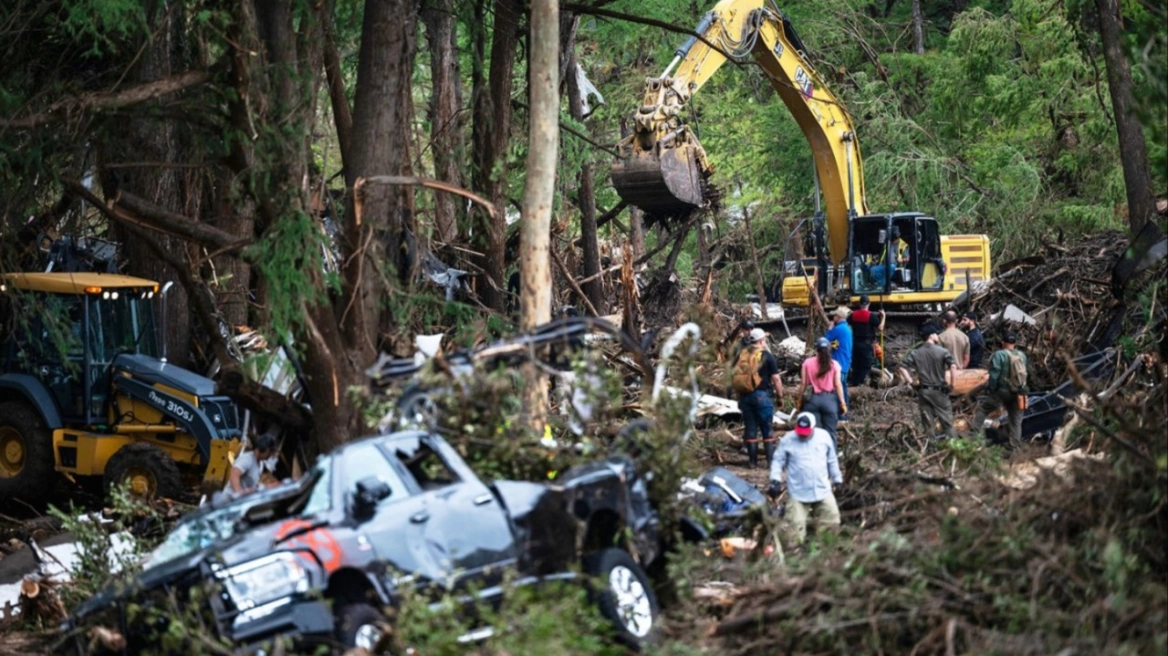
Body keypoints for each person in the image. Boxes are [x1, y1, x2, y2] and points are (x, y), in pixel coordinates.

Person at [767, 412, 842, 550]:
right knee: (793, 531)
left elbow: (832, 460)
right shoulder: (788, 440)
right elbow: (778, 461)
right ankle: (794, 557)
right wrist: (775, 481)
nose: (803, 434)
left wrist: (837, 479)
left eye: (806, 431)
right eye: (800, 431)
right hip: (798, 492)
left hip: (822, 489)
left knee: (832, 520)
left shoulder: (824, 437)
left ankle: (826, 553)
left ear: (813, 427)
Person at [732, 328, 783, 468]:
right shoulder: (767, 356)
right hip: (762, 396)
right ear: (761, 341)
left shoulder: (742, 355)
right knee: (767, 429)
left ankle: (752, 462)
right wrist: (780, 397)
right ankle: (771, 463)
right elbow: (776, 379)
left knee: (750, 430)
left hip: (745, 397)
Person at [972, 332, 1034, 447]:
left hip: (1002, 392)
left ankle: (975, 439)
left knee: (982, 410)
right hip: (1019, 393)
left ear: (1003, 343)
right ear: (1014, 343)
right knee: (1016, 420)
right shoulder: (1022, 355)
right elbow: (1028, 373)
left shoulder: (999, 354)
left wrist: (992, 389)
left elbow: (994, 374)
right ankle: (1014, 446)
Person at [897, 323, 958, 440]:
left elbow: (901, 367)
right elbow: (953, 366)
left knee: (928, 424)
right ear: (931, 336)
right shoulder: (942, 351)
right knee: (947, 423)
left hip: (924, 392)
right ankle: (953, 447)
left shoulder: (916, 352)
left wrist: (910, 381)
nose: (938, 336)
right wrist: (952, 384)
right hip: (940, 391)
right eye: (936, 334)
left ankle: (930, 449)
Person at [795, 336, 846, 447]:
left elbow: (803, 384)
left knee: (814, 433)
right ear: (829, 349)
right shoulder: (834, 365)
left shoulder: (807, 363)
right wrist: (842, 402)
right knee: (830, 433)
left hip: (812, 400)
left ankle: (815, 457)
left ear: (816, 350)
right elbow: (838, 385)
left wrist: (799, 400)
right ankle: (831, 458)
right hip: (830, 401)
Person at [227, 431, 279, 496]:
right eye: (270, 452)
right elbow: (234, 475)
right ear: (265, 449)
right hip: (228, 500)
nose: (271, 455)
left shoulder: (260, 465)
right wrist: (239, 493)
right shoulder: (247, 459)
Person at [847, 295, 885, 387]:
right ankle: (862, 384)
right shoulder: (871, 316)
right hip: (867, 344)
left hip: (855, 343)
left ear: (859, 304)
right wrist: (884, 316)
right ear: (869, 304)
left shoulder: (853, 315)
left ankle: (854, 383)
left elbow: (847, 322)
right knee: (865, 366)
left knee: (856, 365)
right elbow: (880, 328)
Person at [825, 306, 853, 415]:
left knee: (838, 390)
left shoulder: (838, 329)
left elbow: (825, 341)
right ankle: (844, 415)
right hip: (845, 362)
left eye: (835, 315)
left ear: (839, 317)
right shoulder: (847, 328)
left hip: (838, 364)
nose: (833, 317)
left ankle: (839, 416)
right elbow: (837, 344)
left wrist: (830, 329)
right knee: (843, 390)